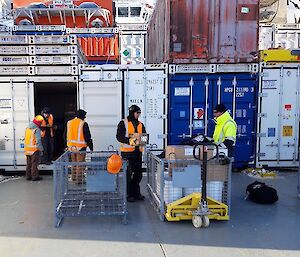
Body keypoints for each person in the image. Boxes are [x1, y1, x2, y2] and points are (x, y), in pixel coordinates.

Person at [116, 105, 146, 202]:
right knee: (128, 174)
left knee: (138, 175)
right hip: (127, 154)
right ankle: (129, 194)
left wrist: (144, 140)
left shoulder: (141, 124)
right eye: (137, 113)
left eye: (139, 113)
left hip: (138, 153)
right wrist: (131, 141)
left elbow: (144, 136)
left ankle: (136, 193)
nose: (138, 115)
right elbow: (119, 137)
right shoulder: (123, 123)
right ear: (132, 112)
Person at [66, 109, 93, 184]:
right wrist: (91, 147)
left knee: (74, 163)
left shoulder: (69, 122)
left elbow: (65, 134)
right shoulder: (83, 123)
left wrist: (67, 145)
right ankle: (79, 180)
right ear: (82, 116)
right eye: (84, 116)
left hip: (71, 147)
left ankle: (74, 177)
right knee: (80, 164)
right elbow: (87, 136)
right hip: (80, 147)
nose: (85, 117)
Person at [24, 115, 44, 181]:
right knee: (34, 164)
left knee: (28, 163)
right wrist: (41, 149)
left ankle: (28, 176)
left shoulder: (27, 128)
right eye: (41, 123)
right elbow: (38, 141)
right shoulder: (37, 129)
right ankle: (35, 177)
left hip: (27, 149)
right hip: (34, 150)